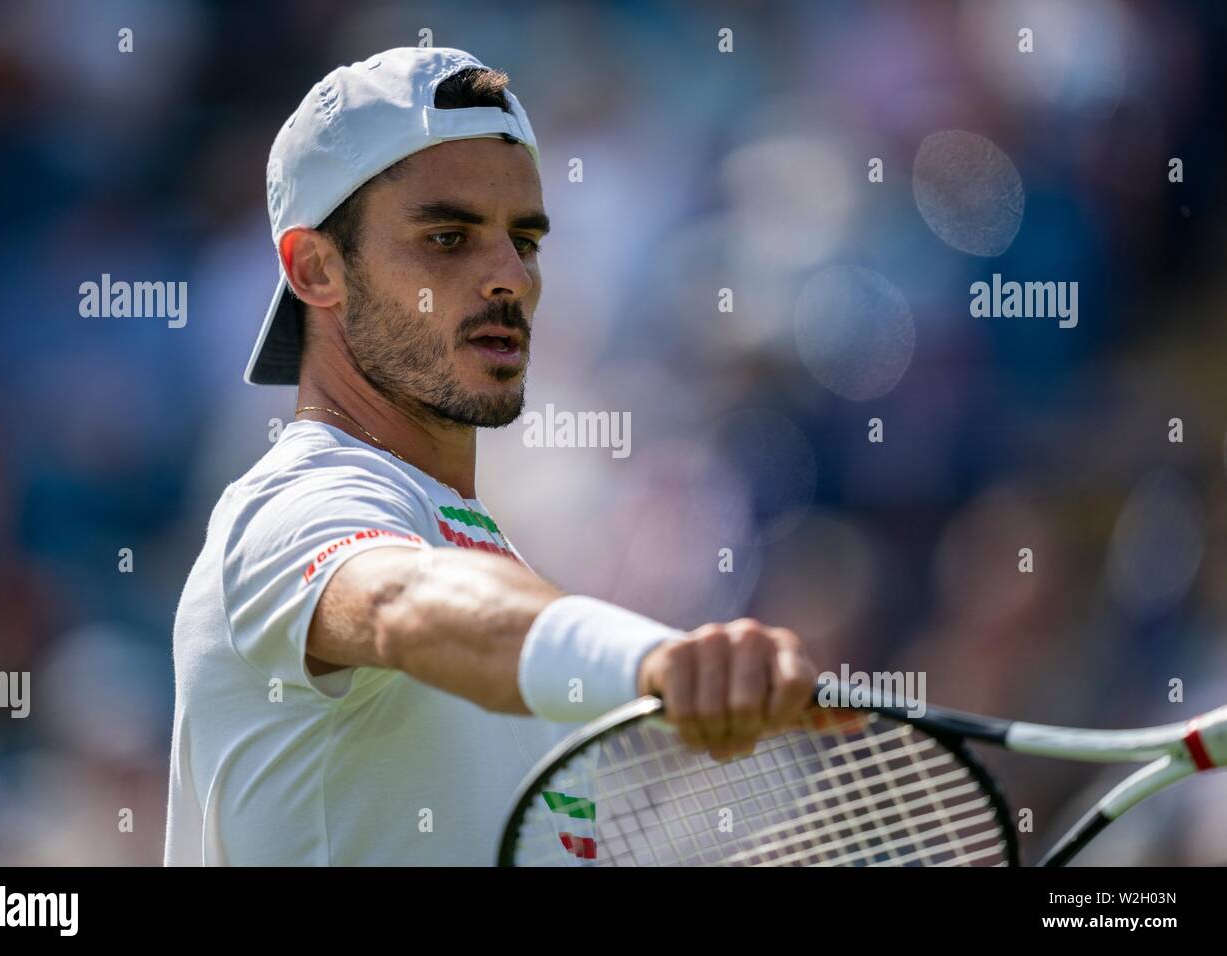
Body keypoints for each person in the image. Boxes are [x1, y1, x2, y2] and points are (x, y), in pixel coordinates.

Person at [164, 46, 818, 866]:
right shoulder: (295, 502)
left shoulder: (493, 560)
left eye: (526, 240)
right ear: (316, 268)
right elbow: (401, 600)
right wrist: (651, 658)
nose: (510, 277)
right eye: (448, 237)